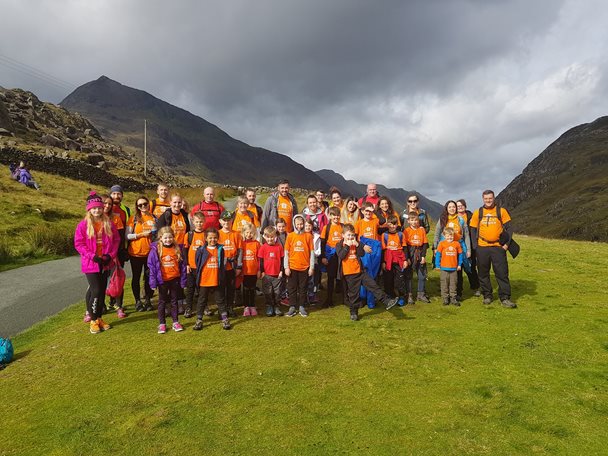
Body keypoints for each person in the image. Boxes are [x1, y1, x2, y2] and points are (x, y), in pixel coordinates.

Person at [74, 192, 119, 334]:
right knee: (96, 290)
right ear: (89, 209)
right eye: (94, 208)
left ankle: (99, 318)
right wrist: (92, 256)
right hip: (91, 263)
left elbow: (116, 241)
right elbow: (79, 243)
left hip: (105, 262)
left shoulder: (108, 224)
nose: (97, 210)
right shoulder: (83, 225)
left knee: (101, 292)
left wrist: (109, 255)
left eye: (99, 208)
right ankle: (93, 320)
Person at [336, 224, 399, 321]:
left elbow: (361, 254)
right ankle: (354, 312)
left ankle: (387, 301)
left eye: (352, 235)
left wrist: (358, 245)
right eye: (348, 235)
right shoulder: (340, 245)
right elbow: (341, 256)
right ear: (343, 235)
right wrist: (347, 246)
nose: (350, 237)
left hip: (360, 271)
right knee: (354, 294)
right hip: (349, 274)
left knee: (373, 285)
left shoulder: (356, 243)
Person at [469, 190, 517, 308]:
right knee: (483, 273)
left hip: (498, 248)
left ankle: (505, 298)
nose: (488, 200)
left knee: (502, 273)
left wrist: (506, 245)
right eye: (486, 198)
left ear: (494, 198)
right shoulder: (478, 212)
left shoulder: (501, 211)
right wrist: (475, 246)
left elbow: (509, 229)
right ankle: (487, 296)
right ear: (483, 199)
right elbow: (473, 229)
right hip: (482, 247)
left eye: (490, 198)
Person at [147, 227, 187, 333]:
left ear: (173, 238)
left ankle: (175, 322)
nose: (168, 240)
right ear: (160, 238)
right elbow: (152, 268)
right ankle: (162, 324)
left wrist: (183, 281)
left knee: (174, 301)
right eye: (165, 238)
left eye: (170, 237)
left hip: (174, 279)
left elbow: (182, 267)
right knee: (162, 302)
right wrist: (153, 282)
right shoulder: (156, 250)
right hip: (162, 281)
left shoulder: (177, 249)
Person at [193, 228, 232, 330]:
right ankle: (199, 320)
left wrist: (221, 276)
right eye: (210, 238)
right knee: (202, 300)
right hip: (204, 280)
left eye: (215, 238)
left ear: (218, 238)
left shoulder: (220, 249)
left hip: (217, 279)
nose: (213, 240)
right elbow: (198, 264)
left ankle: (224, 319)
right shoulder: (201, 250)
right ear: (206, 238)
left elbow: (222, 264)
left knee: (220, 300)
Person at [432, 200, 471, 301]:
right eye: (450, 207)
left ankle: (457, 293)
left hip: (458, 247)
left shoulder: (461, 220)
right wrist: (435, 247)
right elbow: (437, 233)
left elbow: (466, 235)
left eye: (454, 207)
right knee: (445, 271)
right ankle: (445, 294)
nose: (452, 209)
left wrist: (468, 249)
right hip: (444, 248)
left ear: (456, 208)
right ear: (446, 208)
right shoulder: (443, 219)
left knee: (458, 270)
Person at [126, 196, 156, 312]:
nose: (143, 206)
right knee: (136, 277)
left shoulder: (154, 218)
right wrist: (141, 235)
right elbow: (127, 236)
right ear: (137, 207)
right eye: (140, 205)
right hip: (136, 253)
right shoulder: (133, 219)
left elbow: (157, 234)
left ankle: (148, 300)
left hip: (150, 253)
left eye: (145, 204)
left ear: (149, 204)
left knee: (149, 277)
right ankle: (138, 301)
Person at [284, 214, 314, 317]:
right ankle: (292, 306)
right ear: (294, 224)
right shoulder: (290, 236)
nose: (300, 226)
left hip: (304, 267)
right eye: (298, 224)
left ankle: (302, 306)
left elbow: (312, 253)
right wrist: (286, 267)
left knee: (303, 288)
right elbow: (286, 253)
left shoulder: (308, 236)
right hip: (292, 267)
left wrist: (311, 267)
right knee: (292, 288)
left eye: (301, 224)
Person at [109, 185, 131, 311]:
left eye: (119, 194)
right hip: (106, 251)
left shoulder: (126, 210)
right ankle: (105, 303)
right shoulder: (105, 208)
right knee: (105, 278)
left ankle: (118, 304)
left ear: (122, 195)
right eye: (114, 194)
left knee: (118, 277)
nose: (116, 196)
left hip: (120, 249)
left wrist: (125, 249)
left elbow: (127, 230)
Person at [218, 210, 242, 317]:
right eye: (224, 220)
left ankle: (230, 307)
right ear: (220, 221)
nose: (226, 223)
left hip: (232, 265)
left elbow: (240, 250)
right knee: (221, 288)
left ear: (232, 221)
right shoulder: (217, 234)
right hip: (221, 266)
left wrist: (239, 266)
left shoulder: (236, 234)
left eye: (228, 220)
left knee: (231, 288)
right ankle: (222, 309)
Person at [403, 211, 430, 304]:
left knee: (422, 275)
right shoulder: (406, 231)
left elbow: (425, 244)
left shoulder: (422, 230)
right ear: (408, 221)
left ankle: (421, 294)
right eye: (412, 220)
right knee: (409, 275)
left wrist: (423, 256)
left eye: (416, 220)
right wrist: (407, 258)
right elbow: (405, 246)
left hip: (419, 251)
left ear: (418, 220)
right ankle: (409, 295)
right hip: (410, 252)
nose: (414, 222)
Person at [183, 211, 207, 318]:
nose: (199, 224)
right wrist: (187, 264)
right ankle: (188, 308)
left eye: (201, 222)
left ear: (204, 222)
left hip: (203, 268)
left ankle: (204, 307)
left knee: (202, 289)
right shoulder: (189, 235)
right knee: (190, 288)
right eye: (197, 222)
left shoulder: (206, 235)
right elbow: (185, 251)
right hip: (191, 267)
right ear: (193, 222)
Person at [258, 226, 285, 317]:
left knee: (277, 292)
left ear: (275, 237)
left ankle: (276, 306)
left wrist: (281, 271)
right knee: (267, 291)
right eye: (268, 237)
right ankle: (269, 306)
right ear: (265, 237)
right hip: (267, 275)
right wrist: (262, 272)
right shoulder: (263, 248)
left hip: (277, 274)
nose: (270, 239)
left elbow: (282, 260)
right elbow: (261, 261)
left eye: (272, 237)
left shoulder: (279, 247)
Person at [456, 199, 480, 297]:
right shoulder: (454, 217)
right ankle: (459, 291)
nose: (460, 207)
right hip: (457, 245)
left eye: (462, 205)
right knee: (458, 268)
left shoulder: (471, 216)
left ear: (465, 206)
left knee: (471, 267)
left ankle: (475, 287)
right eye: (458, 206)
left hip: (470, 244)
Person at [381, 215, 408, 304]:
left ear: (397, 225)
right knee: (388, 279)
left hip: (399, 260)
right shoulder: (384, 235)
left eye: (394, 224)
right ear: (387, 224)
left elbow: (404, 248)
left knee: (399, 280)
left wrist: (405, 260)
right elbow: (383, 250)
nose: (392, 226)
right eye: (390, 224)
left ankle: (401, 297)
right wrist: (383, 262)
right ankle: (390, 297)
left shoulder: (400, 234)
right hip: (388, 260)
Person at [434, 227, 463, 306]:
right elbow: (438, 255)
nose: (450, 237)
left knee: (453, 283)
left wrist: (459, 264)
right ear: (444, 235)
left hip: (454, 268)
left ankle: (453, 298)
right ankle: (445, 298)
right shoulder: (442, 244)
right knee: (444, 283)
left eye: (451, 236)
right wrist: (437, 265)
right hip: (444, 268)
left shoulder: (456, 244)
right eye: (448, 236)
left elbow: (460, 255)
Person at [240, 222, 261, 316]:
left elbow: (259, 258)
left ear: (254, 233)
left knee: (252, 289)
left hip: (253, 271)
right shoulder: (241, 243)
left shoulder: (256, 244)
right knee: (245, 289)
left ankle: (252, 306)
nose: (249, 234)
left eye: (251, 232)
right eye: (247, 232)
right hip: (244, 271)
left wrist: (259, 270)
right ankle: (246, 307)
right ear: (244, 233)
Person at [304, 218, 322, 304]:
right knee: (304, 279)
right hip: (302, 261)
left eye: (309, 225)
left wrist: (311, 254)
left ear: (312, 226)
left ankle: (311, 295)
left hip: (313, 261)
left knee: (312, 279)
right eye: (306, 225)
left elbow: (318, 251)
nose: (307, 227)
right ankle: (303, 295)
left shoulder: (316, 237)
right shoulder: (300, 235)